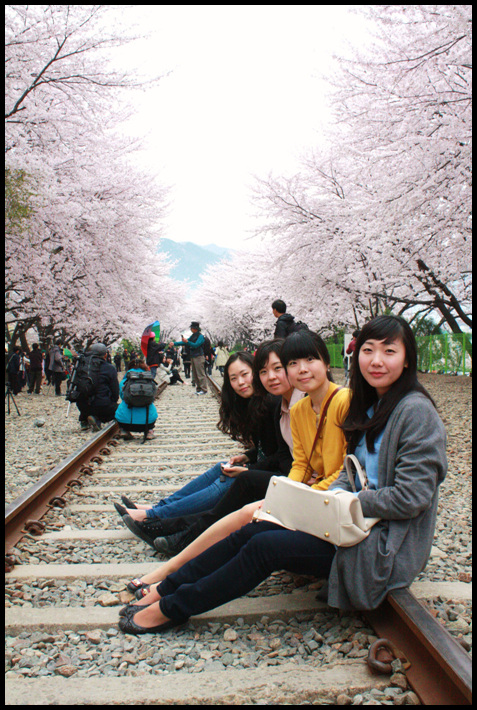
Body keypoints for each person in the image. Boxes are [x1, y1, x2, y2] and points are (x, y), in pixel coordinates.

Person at [118, 315, 447, 635]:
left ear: (407, 359)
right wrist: (322, 500)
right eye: (368, 350)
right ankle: (168, 588)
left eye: (389, 351)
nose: (376, 360)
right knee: (252, 531)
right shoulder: (371, 405)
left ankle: (171, 609)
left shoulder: (415, 412)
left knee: (266, 546)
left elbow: (411, 497)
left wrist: (341, 501)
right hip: (347, 523)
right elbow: (350, 472)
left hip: (381, 543)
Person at [121, 332, 349, 602]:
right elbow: (301, 462)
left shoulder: (339, 402)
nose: (298, 370)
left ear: (327, 362)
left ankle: (170, 567)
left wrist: (291, 492)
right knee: (235, 494)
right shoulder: (296, 408)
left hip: (329, 499)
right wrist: (286, 486)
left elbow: (339, 471)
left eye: (308, 360)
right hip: (309, 490)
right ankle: (167, 557)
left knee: (246, 505)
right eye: (268, 370)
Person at [115, 351, 279, 542]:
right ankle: (158, 508)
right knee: (221, 468)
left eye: (245, 374)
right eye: (234, 378)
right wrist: (247, 456)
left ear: (255, 372)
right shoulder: (252, 403)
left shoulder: (272, 403)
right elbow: (267, 447)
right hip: (266, 469)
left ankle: (153, 515)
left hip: (277, 476)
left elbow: (281, 455)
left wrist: (248, 469)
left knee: (230, 479)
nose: (241, 382)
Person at [75, 344, 120, 431]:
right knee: (119, 409)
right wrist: (112, 402)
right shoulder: (110, 368)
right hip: (102, 405)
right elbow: (115, 391)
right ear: (105, 355)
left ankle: (85, 419)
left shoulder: (81, 366)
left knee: (87, 402)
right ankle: (98, 418)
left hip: (83, 406)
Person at [114, 358, 158, 440]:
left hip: (126, 422)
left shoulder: (124, 382)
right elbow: (152, 397)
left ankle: (124, 430)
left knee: (120, 408)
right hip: (147, 422)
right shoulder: (150, 380)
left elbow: (123, 397)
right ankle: (149, 431)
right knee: (152, 409)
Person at [170, 322, 208, 395]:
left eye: (192, 328)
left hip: (199, 356)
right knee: (195, 374)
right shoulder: (193, 336)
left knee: (200, 374)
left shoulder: (200, 336)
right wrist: (175, 343)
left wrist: (187, 342)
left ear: (195, 329)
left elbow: (196, 345)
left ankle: (204, 389)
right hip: (193, 356)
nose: (191, 329)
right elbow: (185, 342)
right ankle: (199, 389)